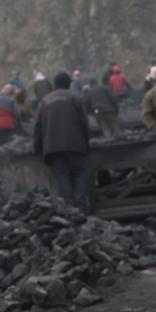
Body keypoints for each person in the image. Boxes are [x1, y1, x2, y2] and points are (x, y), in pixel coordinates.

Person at [34, 71, 92, 212]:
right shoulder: (75, 97)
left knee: (62, 176)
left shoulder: (45, 101)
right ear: (68, 84)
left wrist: (38, 149)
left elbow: (38, 128)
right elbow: (85, 123)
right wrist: (86, 142)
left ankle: (69, 209)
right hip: (75, 144)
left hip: (53, 147)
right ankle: (81, 207)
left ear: (55, 84)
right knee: (79, 173)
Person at [84, 73, 121, 138]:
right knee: (115, 127)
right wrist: (116, 110)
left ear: (90, 84)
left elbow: (86, 105)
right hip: (109, 110)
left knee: (105, 129)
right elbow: (113, 99)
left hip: (97, 112)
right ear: (97, 82)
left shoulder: (89, 92)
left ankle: (109, 142)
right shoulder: (105, 88)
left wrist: (91, 113)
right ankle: (120, 141)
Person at [0, 84, 23, 149]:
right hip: (9, 125)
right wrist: (19, 124)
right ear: (11, 93)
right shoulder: (12, 101)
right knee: (11, 140)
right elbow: (17, 113)